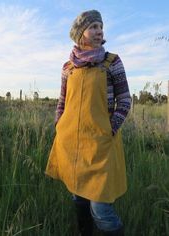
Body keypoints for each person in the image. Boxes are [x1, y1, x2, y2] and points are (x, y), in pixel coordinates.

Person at [45, 9, 131, 236]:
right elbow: (62, 102)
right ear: (81, 33)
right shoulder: (68, 68)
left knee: (100, 207)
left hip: (101, 144)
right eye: (93, 26)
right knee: (79, 197)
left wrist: (109, 129)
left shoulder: (112, 62)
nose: (99, 30)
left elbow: (124, 100)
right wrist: (59, 126)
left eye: (100, 26)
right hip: (71, 142)